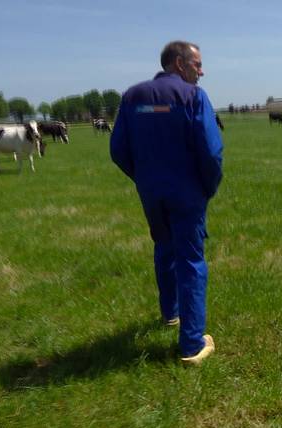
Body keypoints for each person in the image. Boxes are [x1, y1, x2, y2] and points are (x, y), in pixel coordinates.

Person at [110, 40, 223, 366]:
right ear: (179, 63)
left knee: (163, 246)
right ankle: (191, 345)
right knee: (190, 260)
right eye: (197, 65)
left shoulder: (132, 97)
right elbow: (211, 151)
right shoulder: (193, 96)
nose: (202, 72)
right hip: (187, 193)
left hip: (151, 193)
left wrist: (144, 177)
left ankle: (170, 312)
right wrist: (207, 186)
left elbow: (118, 150)